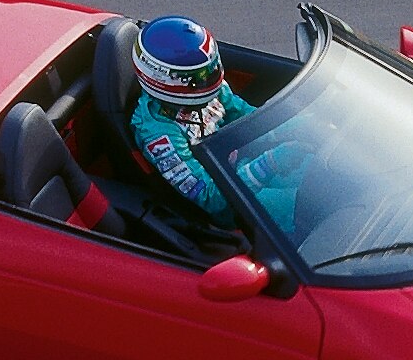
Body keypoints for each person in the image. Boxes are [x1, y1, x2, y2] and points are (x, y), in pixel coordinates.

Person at [129, 15, 306, 233]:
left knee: (324, 173)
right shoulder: (158, 134)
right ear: (165, 81)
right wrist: (270, 162)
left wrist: (299, 127)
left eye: (212, 68)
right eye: (200, 77)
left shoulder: (207, 90)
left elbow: (248, 118)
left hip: (244, 167)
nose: (212, 79)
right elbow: (211, 199)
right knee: (307, 206)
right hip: (231, 205)